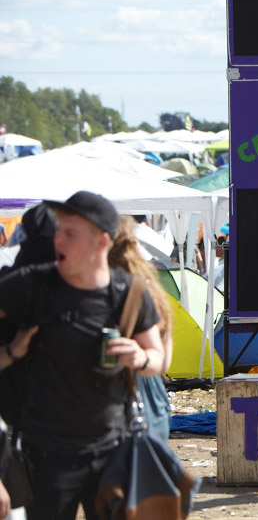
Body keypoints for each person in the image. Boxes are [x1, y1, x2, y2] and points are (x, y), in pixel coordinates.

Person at [0, 191, 165, 520]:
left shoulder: (129, 293)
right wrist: (11, 351)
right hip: (44, 456)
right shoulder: (31, 285)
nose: (57, 240)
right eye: (58, 231)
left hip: (112, 452)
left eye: (70, 233)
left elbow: (158, 359)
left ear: (101, 242)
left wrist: (141, 358)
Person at [107, 216, 174, 440]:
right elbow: (164, 363)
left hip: (123, 392)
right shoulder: (152, 290)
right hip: (153, 395)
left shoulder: (106, 292)